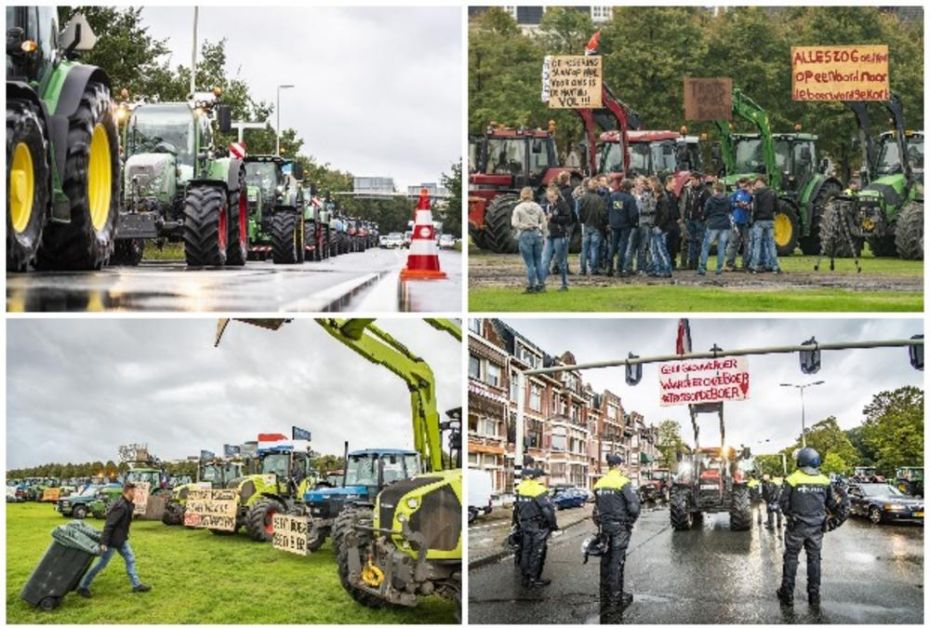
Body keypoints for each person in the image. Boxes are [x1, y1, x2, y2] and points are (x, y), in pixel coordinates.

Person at [777, 448, 841, 607]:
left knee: (791, 558)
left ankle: (787, 594)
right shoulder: (825, 481)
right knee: (814, 560)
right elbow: (831, 504)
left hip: (796, 526)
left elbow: (783, 502)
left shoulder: (792, 479)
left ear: (800, 461)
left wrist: (790, 515)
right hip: (817, 528)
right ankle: (814, 595)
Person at [77, 483, 151, 597]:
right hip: (112, 541)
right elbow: (109, 525)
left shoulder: (128, 504)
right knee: (101, 564)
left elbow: (125, 519)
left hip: (122, 539)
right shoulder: (120, 506)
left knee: (130, 559)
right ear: (129, 491)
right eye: (134, 491)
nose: (136, 494)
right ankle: (83, 586)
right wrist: (104, 543)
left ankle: (136, 585)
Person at [593, 454, 640, 613]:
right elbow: (634, 507)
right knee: (617, 562)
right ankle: (616, 599)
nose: (624, 468)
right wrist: (630, 521)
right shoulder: (623, 482)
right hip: (620, 527)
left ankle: (605, 594)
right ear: (619, 465)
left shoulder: (599, 483)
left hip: (605, 528)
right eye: (623, 465)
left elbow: (596, 510)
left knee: (605, 561)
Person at [514, 467, 558, 588]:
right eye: (543, 476)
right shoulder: (539, 490)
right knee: (536, 553)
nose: (545, 478)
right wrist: (553, 525)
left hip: (525, 525)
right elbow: (547, 510)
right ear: (538, 477)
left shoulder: (520, 488)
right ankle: (534, 579)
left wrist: (518, 523)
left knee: (526, 551)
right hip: (538, 526)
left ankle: (525, 577)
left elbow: (516, 509)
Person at [511, 186, 547, 293]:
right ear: (531, 195)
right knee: (538, 261)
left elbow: (514, 223)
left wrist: (524, 226)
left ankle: (532, 285)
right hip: (537, 234)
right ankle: (541, 284)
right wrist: (544, 234)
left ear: (522, 195)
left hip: (525, 234)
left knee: (530, 263)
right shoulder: (538, 207)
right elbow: (544, 222)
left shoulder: (518, 208)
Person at [697, 181, 732, 276]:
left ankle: (702, 267)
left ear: (715, 189)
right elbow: (730, 210)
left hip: (713, 224)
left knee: (706, 246)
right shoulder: (728, 199)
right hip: (725, 225)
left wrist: (704, 218)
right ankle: (719, 268)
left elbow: (705, 212)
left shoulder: (711, 200)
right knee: (721, 247)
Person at [749, 176, 782, 274]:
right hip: (770, 221)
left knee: (757, 244)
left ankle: (754, 266)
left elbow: (755, 209)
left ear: (760, 182)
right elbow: (778, 208)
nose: (755, 185)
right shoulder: (773, 193)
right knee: (771, 244)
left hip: (759, 221)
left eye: (756, 183)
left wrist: (753, 220)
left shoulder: (757, 194)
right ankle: (775, 266)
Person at [541, 186, 572, 291]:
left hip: (560, 235)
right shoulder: (549, 205)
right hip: (549, 235)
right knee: (545, 260)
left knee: (561, 261)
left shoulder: (563, 205)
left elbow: (568, 219)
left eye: (552, 196)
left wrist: (553, 218)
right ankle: (542, 284)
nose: (550, 198)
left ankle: (564, 284)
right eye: (548, 196)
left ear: (557, 195)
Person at [607, 179, 636, 277]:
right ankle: (619, 269)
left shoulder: (613, 196)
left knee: (613, 246)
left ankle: (609, 267)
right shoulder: (630, 199)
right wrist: (633, 224)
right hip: (625, 225)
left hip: (614, 224)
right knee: (623, 247)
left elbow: (609, 208)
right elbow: (633, 214)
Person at [624, 177, 653, 275]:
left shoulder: (648, 196)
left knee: (643, 247)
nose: (640, 186)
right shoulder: (630, 196)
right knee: (630, 246)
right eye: (638, 184)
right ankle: (627, 267)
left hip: (644, 224)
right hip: (632, 225)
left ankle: (641, 268)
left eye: (642, 184)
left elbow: (651, 210)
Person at [578, 178, 607, 275]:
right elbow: (602, 213)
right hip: (596, 225)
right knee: (594, 248)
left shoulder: (583, 198)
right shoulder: (599, 199)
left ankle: (583, 269)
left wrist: (583, 221)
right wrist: (602, 223)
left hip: (586, 224)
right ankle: (594, 269)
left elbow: (580, 212)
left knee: (584, 248)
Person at [682, 172, 709, 270]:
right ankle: (692, 262)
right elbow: (688, 204)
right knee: (691, 241)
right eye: (690, 180)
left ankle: (701, 263)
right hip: (690, 219)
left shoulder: (704, 191)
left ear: (698, 179)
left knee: (701, 241)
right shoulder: (690, 190)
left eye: (693, 179)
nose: (691, 182)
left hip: (699, 220)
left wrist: (703, 216)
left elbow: (707, 206)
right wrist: (685, 216)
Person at [725, 178, 753, 271]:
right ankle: (729, 264)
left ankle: (745, 264)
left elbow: (755, 205)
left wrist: (749, 206)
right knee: (733, 242)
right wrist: (737, 205)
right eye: (741, 185)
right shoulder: (736, 193)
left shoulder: (751, 195)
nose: (743, 187)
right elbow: (728, 204)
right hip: (736, 222)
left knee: (747, 244)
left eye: (745, 185)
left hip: (747, 222)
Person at [650, 178, 674, 278]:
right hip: (659, 227)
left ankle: (667, 269)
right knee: (654, 249)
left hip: (662, 229)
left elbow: (665, 215)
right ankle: (658, 269)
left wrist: (659, 226)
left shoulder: (663, 201)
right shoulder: (662, 200)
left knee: (661, 249)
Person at [664, 178, 682, 269]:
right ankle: (667, 262)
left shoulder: (673, 195)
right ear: (668, 182)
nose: (675, 184)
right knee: (667, 244)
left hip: (674, 223)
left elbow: (676, 208)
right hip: (667, 223)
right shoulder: (664, 195)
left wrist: (678, 218)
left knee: (674, 244)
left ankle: (672, 261)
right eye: (674, 182)